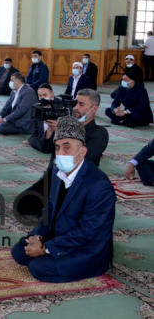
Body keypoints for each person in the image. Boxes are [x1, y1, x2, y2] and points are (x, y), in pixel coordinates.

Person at [11, 116, 116, 284]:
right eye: (58, 147)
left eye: (67, 148)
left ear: (82, 151)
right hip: (61, 236)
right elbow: (49, 210)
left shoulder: (99, 185)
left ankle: (88, 267)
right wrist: (36, 238)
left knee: (38, 267)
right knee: (19, 251)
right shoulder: (57, 172)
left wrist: (46, 249)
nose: (60, 153)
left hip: (86, 247)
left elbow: (87, 232)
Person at [16, 89, 108, 217]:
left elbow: (85, 157)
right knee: (23, 204)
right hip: (55, 177)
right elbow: (45, 148)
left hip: (78, 182)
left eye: (81, 105)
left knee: (57, 213)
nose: (76, 108)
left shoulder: (99, 133)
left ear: (94, 109)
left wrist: (65, 130)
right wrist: (50, 131)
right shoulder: (64, 123)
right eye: (75, 103)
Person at [25, 84, 55, 152]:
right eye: (40, 96)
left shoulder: (59, 107)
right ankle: (45, 147)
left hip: (55, 138)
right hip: (42, 138)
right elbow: (35, 129)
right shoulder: (36, 107)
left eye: (45, 95)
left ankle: (46, 147)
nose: (42, 98)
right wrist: (33, 139)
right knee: (32, 140)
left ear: (52, 95)